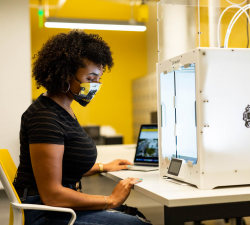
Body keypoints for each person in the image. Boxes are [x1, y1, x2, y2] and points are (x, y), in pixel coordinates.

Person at [13, 30, 152, 225]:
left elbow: (62, 163)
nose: (95, 85)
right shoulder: (45, 117)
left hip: (56, 206)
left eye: (98, 79)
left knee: (134, 213)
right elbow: (52, 195)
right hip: (46, 213)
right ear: (65, 74)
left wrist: (103, 167)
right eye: (91, 78)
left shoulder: (62, 108)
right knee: (138, 223)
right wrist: (110, 200)